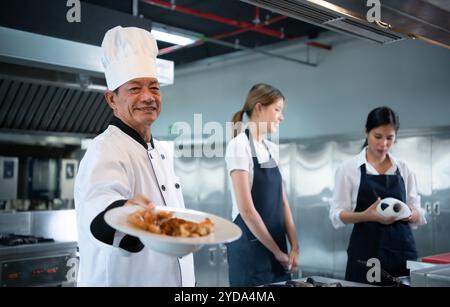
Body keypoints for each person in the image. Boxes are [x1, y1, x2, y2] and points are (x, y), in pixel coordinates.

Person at [74, 26, 195, 286]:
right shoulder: (105, 148)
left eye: (154, 87)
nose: (148, 97)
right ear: (111, 99)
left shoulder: (159, 151)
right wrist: (123, 214)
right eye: (134, 89)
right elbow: (101, 214)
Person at [329, 106, 426, 285]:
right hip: (366, 253)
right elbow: (336, 214)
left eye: (390, 138)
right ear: (367, 132)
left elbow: (419, 213)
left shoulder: (404, 169)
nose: (384, 144)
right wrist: (366, 216)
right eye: (378, 137)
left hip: (402, 252)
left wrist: (409, 213)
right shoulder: (348, 169)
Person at [225, 84, 299, 287]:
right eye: (277, 109)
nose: (281, 116)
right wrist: (277, 252)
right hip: (252, 249)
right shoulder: (239, 145)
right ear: (259, 107)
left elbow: (283, 202)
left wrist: (295, 246)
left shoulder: (272, 149)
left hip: (278, 247)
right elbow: (247, 210)